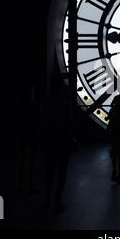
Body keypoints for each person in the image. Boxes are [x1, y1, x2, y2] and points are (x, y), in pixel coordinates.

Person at [41, 83, 76, 212]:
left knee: (49, 172)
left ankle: (48, 199)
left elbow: (43, 123)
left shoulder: (47, 105)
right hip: (63, 142)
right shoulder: (66, 105)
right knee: (62, 173)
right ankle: (57, 200)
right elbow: (70, 123)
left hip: (51, 141)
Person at [12, 82, 40, 194]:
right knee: (32, 161)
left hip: (23, 135)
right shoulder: (35, 107)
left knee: (22, 161)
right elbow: (37, 122)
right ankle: (30, 185)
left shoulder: (20, 107)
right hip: (32, 135)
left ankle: (20, 186)